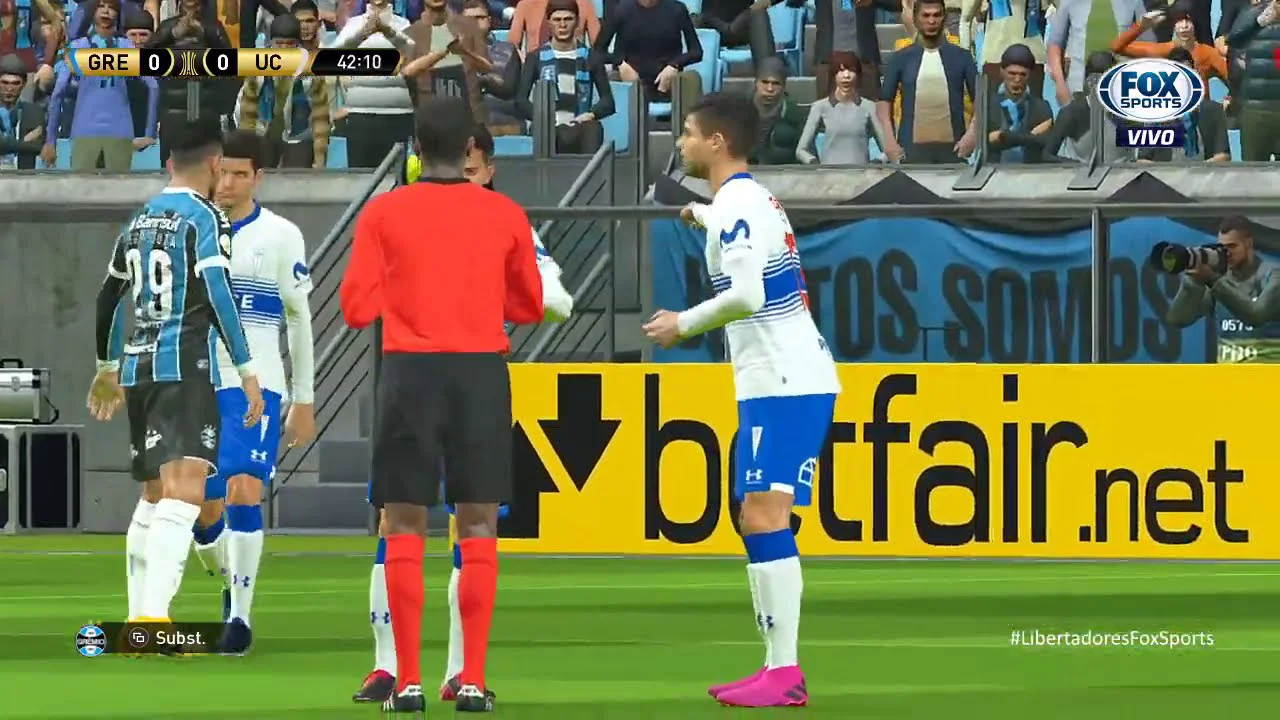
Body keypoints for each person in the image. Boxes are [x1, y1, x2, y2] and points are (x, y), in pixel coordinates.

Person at [339, 96, 544, 713]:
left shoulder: (384, 212)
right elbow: (528, 306)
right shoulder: (504, 213)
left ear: (415, 150)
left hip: (410, 373)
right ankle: (472, 679)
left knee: (402, 524)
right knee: (478, 524)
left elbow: (355, 309)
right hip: (480, 372)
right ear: (472, 150)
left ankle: (406, 681)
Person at [643, 92, 840, 708]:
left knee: (764, 515)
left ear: (717, 142)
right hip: (776, 378)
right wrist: (701, 215)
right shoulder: (744, 201)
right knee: (756, 514)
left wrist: (683, 323)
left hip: (784, 378)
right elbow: (745, 242)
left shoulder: (738, 204)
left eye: (688, 132)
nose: (681, 141)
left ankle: (784, 673)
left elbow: (748, 294)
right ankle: (776, 667)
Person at [89, 121, 264, 627]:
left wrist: (106, 366)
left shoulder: (139, 219)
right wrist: (247, 370)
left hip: (138, 367)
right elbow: (218, 294)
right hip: (184, 365)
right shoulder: (206, 218)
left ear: (168, 164)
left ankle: (137, 618)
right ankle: (153, 619)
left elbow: (107, 297)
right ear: (214, 164)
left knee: (153, 496)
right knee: (186, 491)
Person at [190, 130, 316, 655]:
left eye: (240, 174)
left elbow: (299, 319)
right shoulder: (189, 228)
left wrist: (304, 398)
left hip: (258, 383)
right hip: (196, 380)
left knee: (244, 487)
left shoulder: (281, 235)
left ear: (258, 178)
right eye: (222, 172)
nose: (228, 183)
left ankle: (239, 618)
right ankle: (229, 580)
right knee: (202, 507)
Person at [1166, 216, 1280, 362]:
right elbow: (1178, 320)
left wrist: (1212, 280)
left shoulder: (1273, 275)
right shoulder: (1219, 279)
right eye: (1222, 247)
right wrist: (1193, 281)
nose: (1227, 253)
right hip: (1227, 374)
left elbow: (1256, 316)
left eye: (1232, 246)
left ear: (1248, 243)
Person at [514, 0, 614, 154]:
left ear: (577, 22)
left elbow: (608, 102)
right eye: (557, 19)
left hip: (580, 124)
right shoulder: (535, 58)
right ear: (548, 22)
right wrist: (543, 116)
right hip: (548, 126)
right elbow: (520, 101)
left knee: (593, 128)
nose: (562, 25)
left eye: (568, 19)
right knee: (543, 131)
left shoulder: (591, 57)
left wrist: (590, 115)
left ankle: (590, 169)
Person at [796, 57, 890, 165]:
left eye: (851, 70)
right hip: (829, 173)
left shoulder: (869, 107)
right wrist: (815, 163)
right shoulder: (820, 107)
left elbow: (888, 150)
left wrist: (876, 163)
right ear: (833, 75)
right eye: (840, 71)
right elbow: (801, 150)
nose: (846, 75)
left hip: (861, 173)